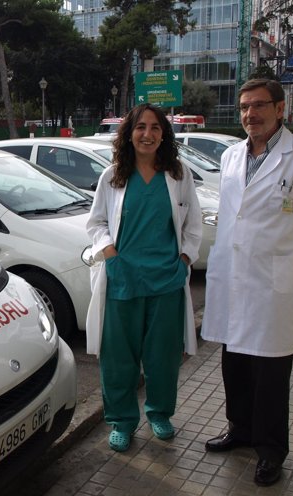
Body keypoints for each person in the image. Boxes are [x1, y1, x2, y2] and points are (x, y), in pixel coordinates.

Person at [201, 78, 293, 487]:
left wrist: (287, 265)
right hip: (232, 279)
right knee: (234, 363)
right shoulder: (231, 156)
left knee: (271, 373)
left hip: (273, 284)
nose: (249, 115)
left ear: (280, 109)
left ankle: (272, 449)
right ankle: (239, 429)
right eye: (244, 107)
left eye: (258, 105)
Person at [86, 103, 202, 452]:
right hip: (123, 279)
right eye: (140, 127)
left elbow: (193, 226)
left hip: (166, 280)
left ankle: (160, 414)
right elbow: (96, 223)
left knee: (162, 356)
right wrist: (111, 254)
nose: (147, 134)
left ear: (164, 133)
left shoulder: (178, 175)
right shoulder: (113, 176)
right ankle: (122, 421)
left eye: (154, 127)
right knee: (118, 358)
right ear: (129, 133)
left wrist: (183, 259)